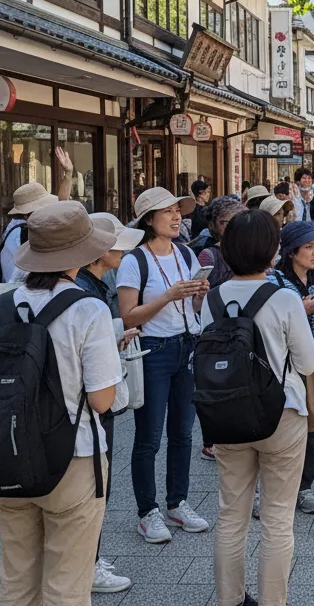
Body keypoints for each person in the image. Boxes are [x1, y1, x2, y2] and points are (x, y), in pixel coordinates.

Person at [0, 202, 121, 605]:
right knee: (67, 586)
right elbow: (102, 400)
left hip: (8, 454)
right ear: (80, 254)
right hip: (73, 456)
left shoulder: (3, 304)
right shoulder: (89, 309)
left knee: (16, 580)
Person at [200, 211, 314, 606]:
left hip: (227, 414)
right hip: (281, 414)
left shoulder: (212, 299)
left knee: (230, 514)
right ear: (272, 252)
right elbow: (308, 363)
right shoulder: (284, 298)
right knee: (278, 518)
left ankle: (230, 600)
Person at [118, 188, 212, 543]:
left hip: (186, 346)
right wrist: (169, 295)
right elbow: (128, 316)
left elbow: (193, 309)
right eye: (168, 212)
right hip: (153, 350)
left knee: (183, 433)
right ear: (148, 220)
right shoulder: (135, 261)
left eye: (177, 211)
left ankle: (177, 502)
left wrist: (198, 295)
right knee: (149, 437)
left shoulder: (185, 253)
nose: (176, 217)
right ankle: (147, 511)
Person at [77, 213, 144, 593]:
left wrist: (114, 333)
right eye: (116, 243)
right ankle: (87, 564)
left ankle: (87, 559)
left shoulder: (88, 286)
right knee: (94, 484)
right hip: (88, 405)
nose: (122, 250)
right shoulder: (88, 295)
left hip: (70, 406)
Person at [266, 221, 314, 516]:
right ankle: (271, 489)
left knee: (313, 427)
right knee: (282, 425)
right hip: (283, 362)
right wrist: (301, 308)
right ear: (291, 252)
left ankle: (304, 488)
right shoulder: (275, 281)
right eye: (308, 247)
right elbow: (273, 323)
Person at [0, 148, 76, 283]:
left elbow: (62, 205)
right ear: (28, 215)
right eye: (45, 208)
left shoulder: (34, 227)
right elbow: (13, 279)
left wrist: (68, 174)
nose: (49, 212)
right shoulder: (19, 234)